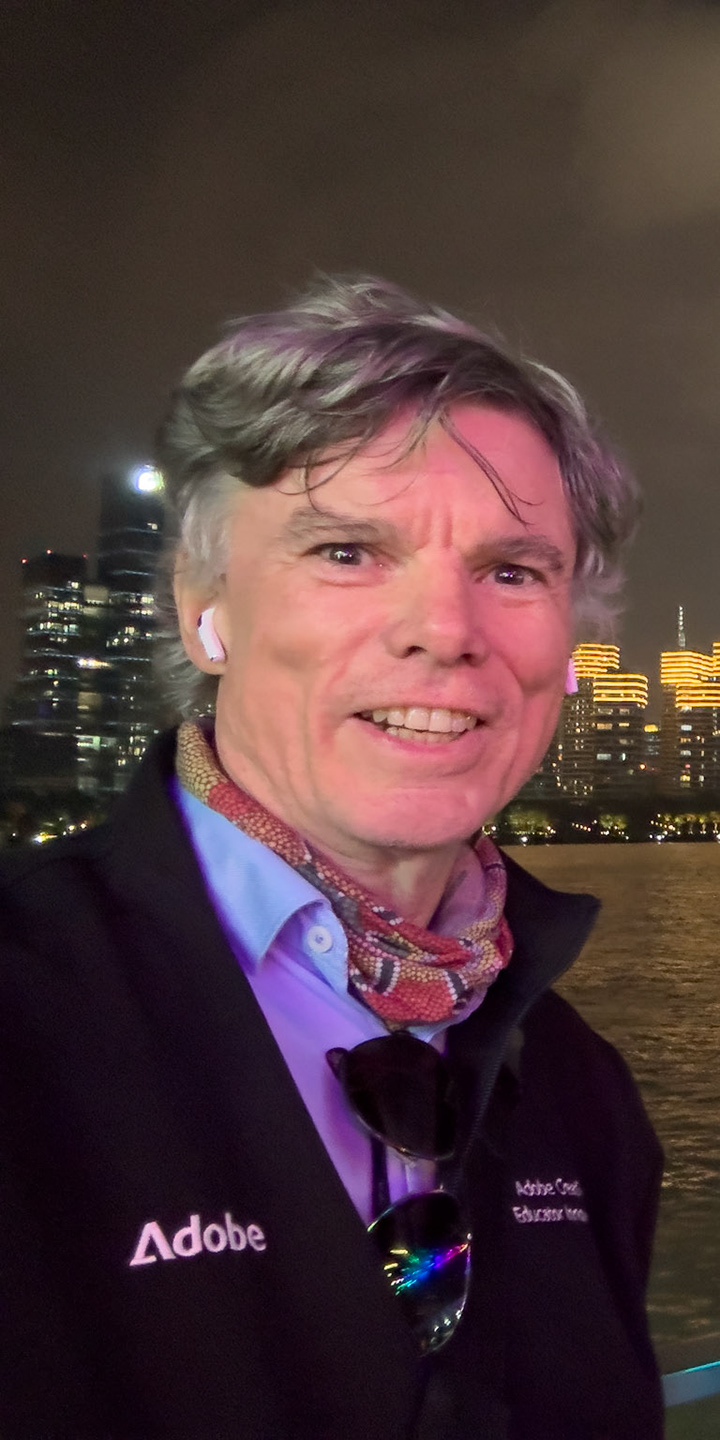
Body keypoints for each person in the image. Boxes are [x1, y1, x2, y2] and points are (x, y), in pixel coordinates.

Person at [0, 277, 665, 1438]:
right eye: (348, 551)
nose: (444, 631)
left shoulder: (582, 1094)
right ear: (203, 606)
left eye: (513, 571)